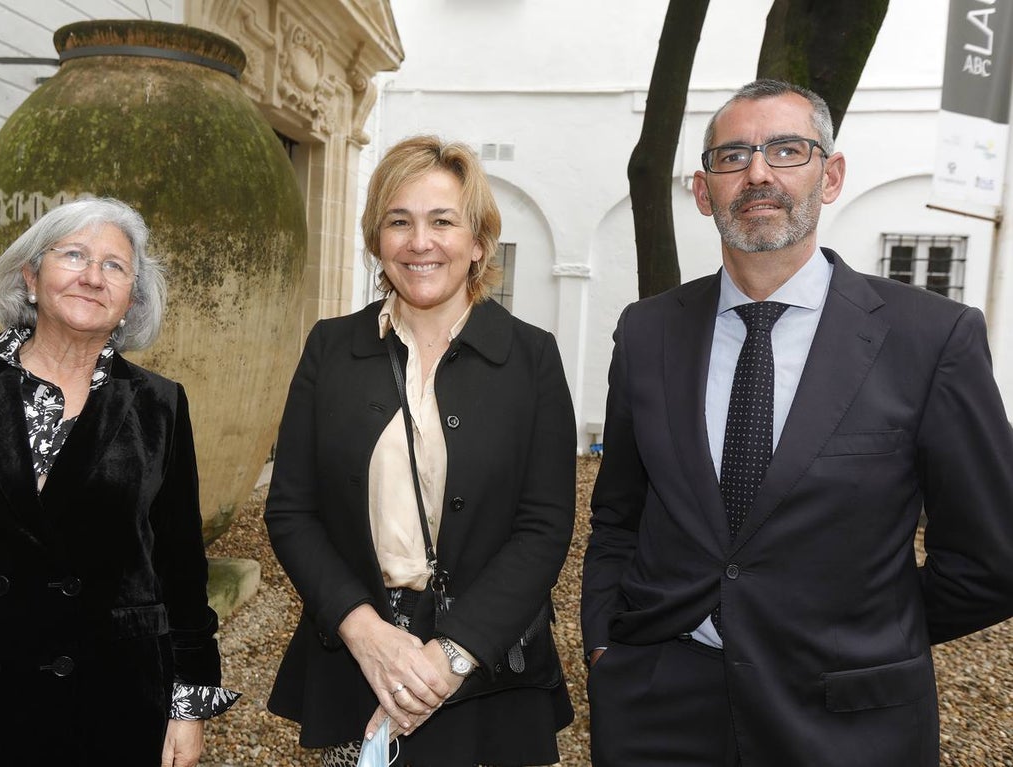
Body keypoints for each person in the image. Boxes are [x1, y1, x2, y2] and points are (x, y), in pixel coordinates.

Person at [581, 79, 1013, 766]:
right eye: (732, 156)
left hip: (848, 721)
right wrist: (607, 642)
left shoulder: (931, 338)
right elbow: (618, 518)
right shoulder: (647, 332)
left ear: (830, 176)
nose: (757, 173)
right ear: (703, 191)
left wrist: (872, 634)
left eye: (786, 150)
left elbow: (991, 557)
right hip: (659, 710)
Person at [0, 197, 238, 767]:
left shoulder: (160, 405)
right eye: (74, 255)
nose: (93, 276)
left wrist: (187, 705)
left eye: (114, 265)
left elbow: (181, 568)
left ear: (131, 300)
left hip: (110, 701)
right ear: (30, 277)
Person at [265, 135, 576, 766]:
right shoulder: (330, 349)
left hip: (488, 670)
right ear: (377, 239)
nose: (420, 241)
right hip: (356, 661)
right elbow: (292, 511)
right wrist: (365, 634)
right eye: (399, 222)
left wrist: (449, 658)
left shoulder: (532, 358)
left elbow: (544, 529)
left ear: (478, 242)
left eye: (442, 221)